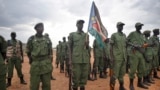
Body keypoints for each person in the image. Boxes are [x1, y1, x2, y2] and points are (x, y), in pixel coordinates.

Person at [26, 23, 52, 90]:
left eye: (42, 27)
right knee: (34, 85)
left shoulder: (47, 39)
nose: (41, 28)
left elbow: (50, 51)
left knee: (47, 85)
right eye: (39, 27)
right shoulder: (31, 39)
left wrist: (49, 60)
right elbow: (28, 51)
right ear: (36, 29)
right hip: (35, 65)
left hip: (46, 65)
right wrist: (31, 59)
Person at [68, 19, 90, 90]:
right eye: (79, 24)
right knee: (76, 78)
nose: (81, 25)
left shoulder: (86, 35)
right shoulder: (72, 35)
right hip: (76, 60)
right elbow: (70, 48)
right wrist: (70, 60)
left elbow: (87, 48)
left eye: (82, 24)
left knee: (83, 79)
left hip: (85, 60)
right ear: (76, 25)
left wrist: (87, 44)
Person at [127, 22, 148, 90]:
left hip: (141, 54)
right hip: (134, 54)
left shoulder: (142, 35)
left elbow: (143, 44)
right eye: (139, 26)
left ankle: (139, 83)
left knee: (141, 69)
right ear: (136, 27)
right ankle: (131, 85)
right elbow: (126, 41)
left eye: (141, 26)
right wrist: (133, 45)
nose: (140, 27)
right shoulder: (132, 33)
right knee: (133, 69)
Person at [110, 22, 127, 90]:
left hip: (123, 58)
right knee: (115, 74)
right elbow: (111, 47)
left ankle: (121, 86)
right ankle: (112, 88)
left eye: (122, 26)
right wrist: (111, 57)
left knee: (121, 73)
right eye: (120, 26)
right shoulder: (114, 35)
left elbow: (125, 46)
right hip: (116, 58)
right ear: (117, 27)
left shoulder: (124, 35)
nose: (121, 27)